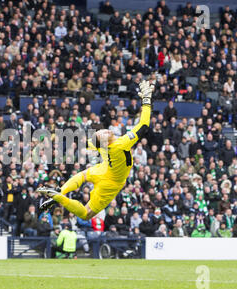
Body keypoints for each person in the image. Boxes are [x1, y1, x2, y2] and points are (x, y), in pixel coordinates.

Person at [38, 80, 155, 221]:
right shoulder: (121, 143)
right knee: (86, 214)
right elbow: (144, 125)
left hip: (102, 170)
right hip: (112, 183)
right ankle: (59, 197)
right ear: (105, 140)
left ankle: (60, 192)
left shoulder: (102, 145)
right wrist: (146, 101)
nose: (104, 130)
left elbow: (83, 143)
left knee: (82, 176)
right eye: (102, 133)